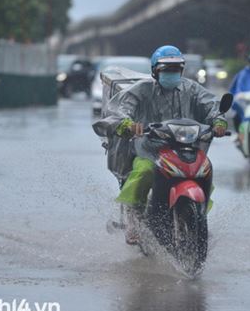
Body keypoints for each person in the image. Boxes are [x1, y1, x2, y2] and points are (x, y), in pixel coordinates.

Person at [93, 45, 227, 244]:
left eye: (176, 69)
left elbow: (211, 105)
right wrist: (128, 124)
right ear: (155, 70)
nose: (171, 74)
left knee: (203, 170)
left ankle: (199, 217)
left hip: (184, 146)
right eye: (166, 70)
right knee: (145, 172)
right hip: (149, 149)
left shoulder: (191, 88)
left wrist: (219, 121)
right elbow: (121, 109)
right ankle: (133, 218)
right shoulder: (141, 90)